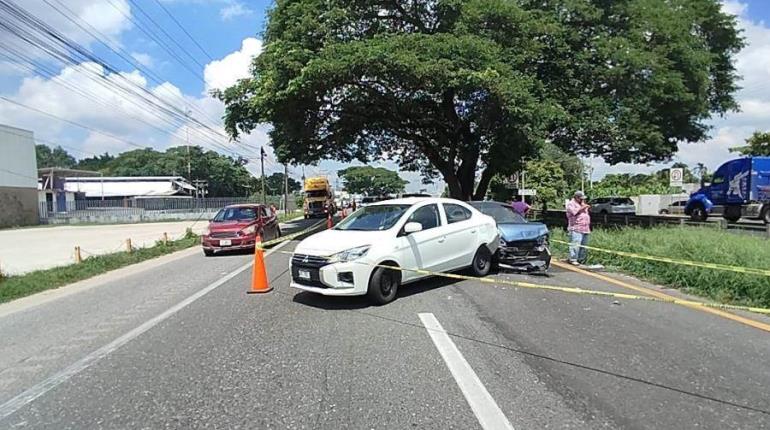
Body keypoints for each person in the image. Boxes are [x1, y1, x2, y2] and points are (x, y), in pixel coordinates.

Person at [566, 190, 591, 265]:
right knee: (575, 244)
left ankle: (581, 259)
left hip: (585, 228)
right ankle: (573, 258)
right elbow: (575, 212)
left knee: (584, 245)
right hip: (576, 228)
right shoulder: (571, 204)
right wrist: (583, 207)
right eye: (581, 198)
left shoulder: (582, 204)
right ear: (576, 197)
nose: (582, 200)